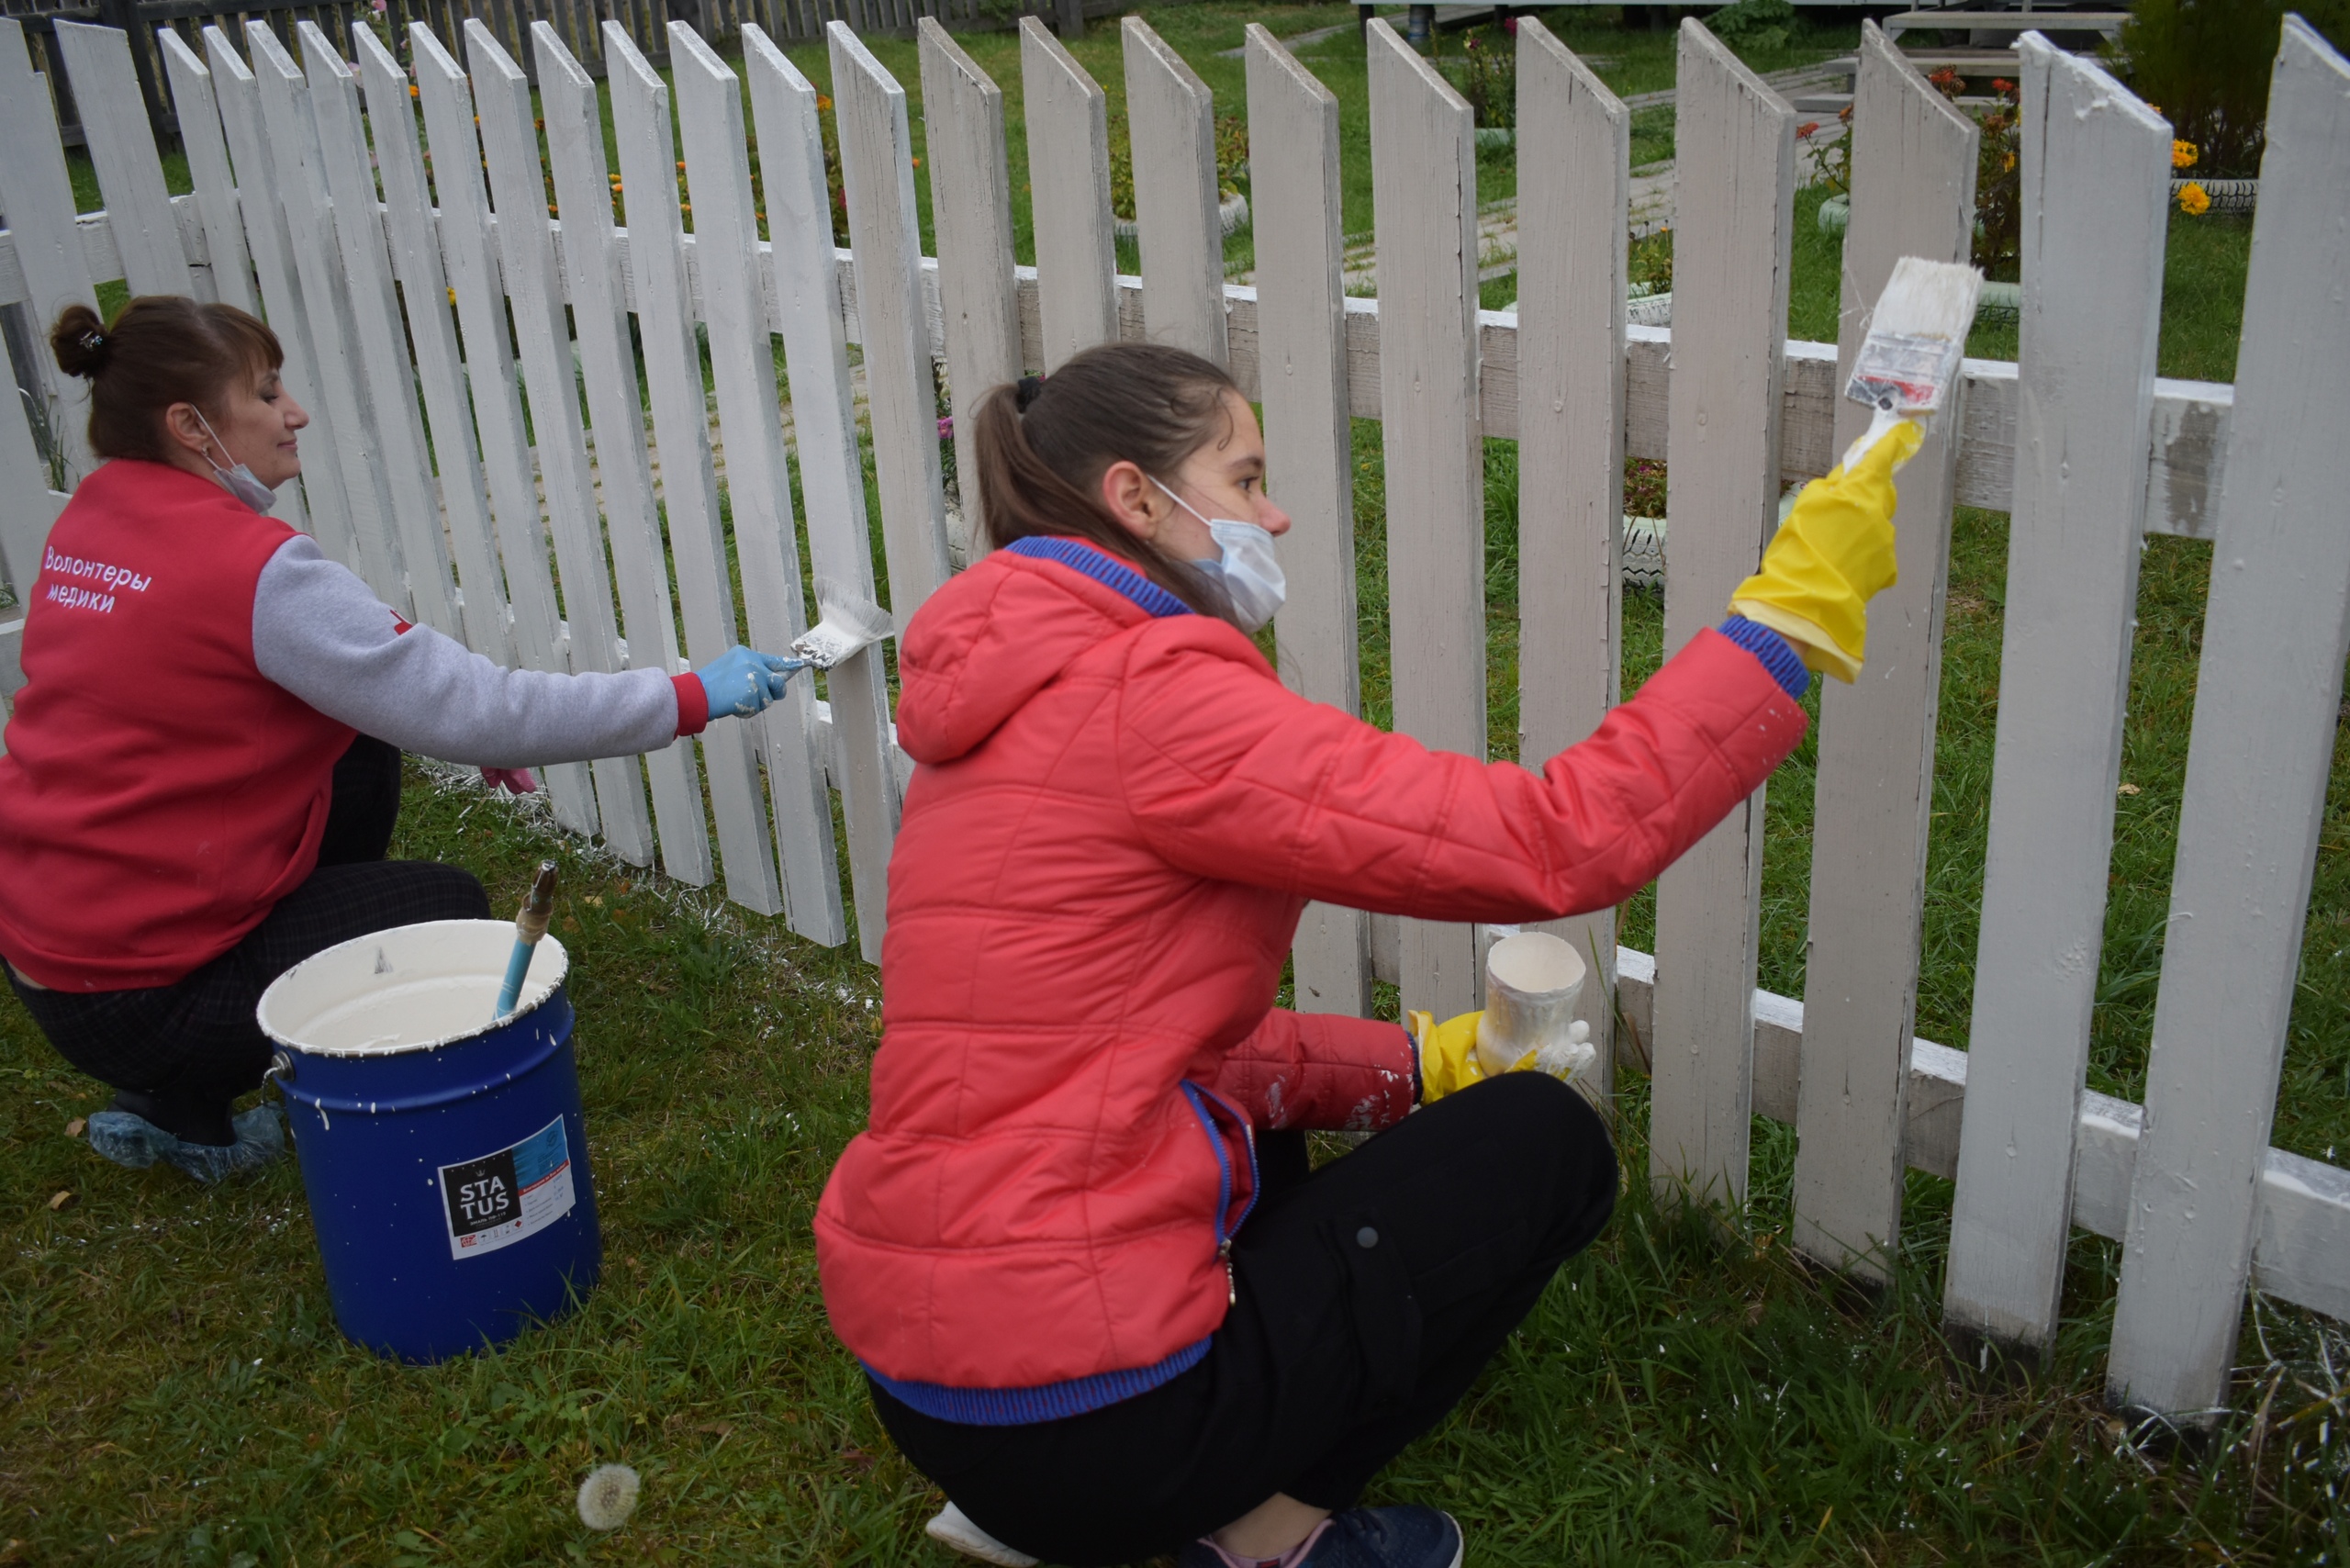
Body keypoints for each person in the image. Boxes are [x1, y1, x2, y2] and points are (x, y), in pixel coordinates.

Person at [813, 342, 1915, 1568]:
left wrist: (1414, 1063)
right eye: (1243, 476)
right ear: (1135, 499)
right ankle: (1253, 1544)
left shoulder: (997, 699)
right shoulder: (1152, 690)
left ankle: (1086, 1496)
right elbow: (1559, 837)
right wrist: (1783, 627)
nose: (1273, 511)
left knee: (1250, 1120)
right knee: (1547, 1151)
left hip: (925, 1382)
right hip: (1095, 1419)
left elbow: (1139, 1046)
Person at [0, 297, 802, 1183]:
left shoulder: (98, 516)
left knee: (357, 744)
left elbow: (361, 681)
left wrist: (437, 719)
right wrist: (688, 695)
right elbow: (478, 704)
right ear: (191, 425)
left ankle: (196, 1052)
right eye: (266, 396)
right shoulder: (253, 569)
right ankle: (191, 1104)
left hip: (49, 950)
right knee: (446, 911)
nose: (294, 412)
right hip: (148, 997)